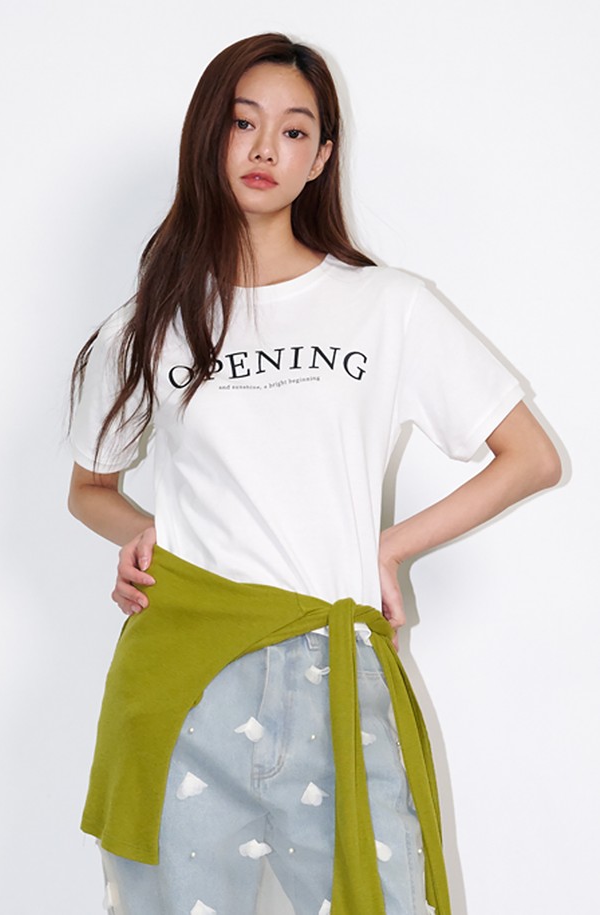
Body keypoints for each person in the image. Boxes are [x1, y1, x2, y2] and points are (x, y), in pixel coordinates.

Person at [67, 32, 561, 915]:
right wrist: (136, 530)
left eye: (294, 131)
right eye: (243, 122)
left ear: (322, 156)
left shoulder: (386, 306)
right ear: (208, 135)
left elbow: (530, 456)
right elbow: (89, 488)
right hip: (181, 682)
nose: (266, 148)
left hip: (336, 672)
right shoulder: (148, 323)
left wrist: (390, 547)